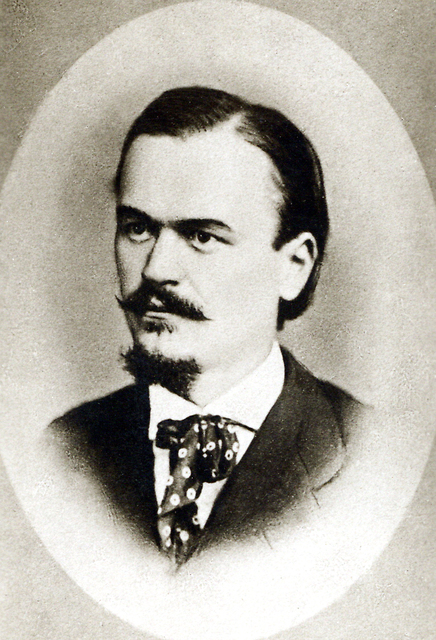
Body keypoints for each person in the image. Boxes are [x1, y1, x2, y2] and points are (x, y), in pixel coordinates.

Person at [46, 86, 363, 565]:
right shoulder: (60, 451)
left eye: (201, 236)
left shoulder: (372, 457)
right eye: (138, 228)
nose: (155, 269)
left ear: (293, 266)